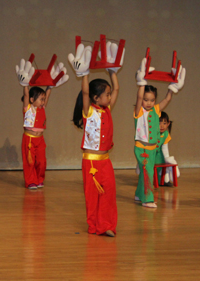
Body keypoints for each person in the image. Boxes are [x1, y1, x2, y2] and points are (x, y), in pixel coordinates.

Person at [69, 42, 122, 237]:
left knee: (108, 193)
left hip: (105, 161)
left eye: (108, 94)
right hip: (90, 162)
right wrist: (84, 73)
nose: (109, 96)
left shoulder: (106, 109)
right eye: (105, 94)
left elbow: (116, 90)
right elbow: (84, 92)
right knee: (93, 196)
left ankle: (107, 225)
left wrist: (112, 72)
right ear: (96, 98)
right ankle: (94, 226)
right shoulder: (89, 111)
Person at [134, 59, 185, 207]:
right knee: (148, 173)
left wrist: (172, 88)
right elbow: (139, 97)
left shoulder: (156, 110)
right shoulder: (139, 111)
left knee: (146, 172)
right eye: (146, 99)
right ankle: (148, 198)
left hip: (152, 148)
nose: (149, 102)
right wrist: (142, 82)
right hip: (141, 148)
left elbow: (167, 99)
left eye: (152, 100)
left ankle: (139, 194)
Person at [15, 58, 69, 189]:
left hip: (40, 140)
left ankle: (39, 179)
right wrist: (25, 85)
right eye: (41, 99)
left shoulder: (42, 108)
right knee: (30, 161)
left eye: (44, 99)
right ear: (33, 99)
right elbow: (26, 95)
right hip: (29, 139)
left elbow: (48, 94)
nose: (43, 101)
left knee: (41, 161)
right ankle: (31, 181)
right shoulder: (28, 108)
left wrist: (50, 86)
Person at [155, 112, 179, 186]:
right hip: (150, 152)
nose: (162, 126)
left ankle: (165, 180)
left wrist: (167, 159)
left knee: (163, 162)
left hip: (159, 153)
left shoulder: (166, 134)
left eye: (164, 123)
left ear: (168, 123)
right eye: (159, 123)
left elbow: (165, 148)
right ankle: (150, 181)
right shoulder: (153, 133)